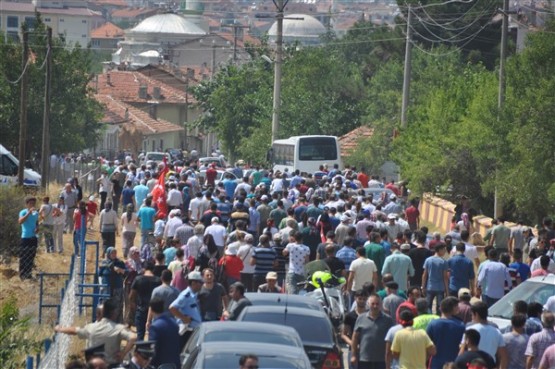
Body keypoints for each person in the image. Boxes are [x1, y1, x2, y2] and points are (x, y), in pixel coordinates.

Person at [54, 298, 137, 367]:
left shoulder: (91, 327)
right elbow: (133, 337)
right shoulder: (118, 328)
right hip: (112, 365)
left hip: (93, 365)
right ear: (114, 313)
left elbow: (75, 330)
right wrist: (123, 353)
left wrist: (60, 329)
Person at [351, 294, 394, 369]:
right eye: (373, 304)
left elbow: (392, 339)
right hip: (364, 359)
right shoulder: (361, 318)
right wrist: (354, 355)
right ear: (368, 304)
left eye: (377, 304)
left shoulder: (388, 319)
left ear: (381, 305)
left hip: (382, 360)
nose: (375, 306)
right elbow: (355, 337)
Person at [461, 301, 508, 368]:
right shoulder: (497, 332)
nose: (471, 317)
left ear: (476, 314)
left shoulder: (470, 330)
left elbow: (462, 352)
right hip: (490, 365)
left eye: (472, 315)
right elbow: (504, 357)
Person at [426, 297, 466, 369]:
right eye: (457, 306)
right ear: (453, 308)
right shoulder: (461, 325)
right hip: (454, 364)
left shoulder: (433, 324)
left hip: (436, 363)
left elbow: (426, 345)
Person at [169, 271, 203, 350]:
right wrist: (183, 318)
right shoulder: (185, 295)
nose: (202, 285)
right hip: (187, 331)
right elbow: (172, 308)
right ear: (193, 283)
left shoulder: (194, 295)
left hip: (195, 329)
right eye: (200, 282)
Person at [129, 262, 161, 341]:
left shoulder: (138, 279)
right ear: (153, 269)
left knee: (140, 335)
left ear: (144, 269)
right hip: (154, 311)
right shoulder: (158, 280)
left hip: (141, 309)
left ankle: (139, 351)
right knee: (153, 336)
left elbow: (131, 296)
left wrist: (133, 307)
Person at [148, 297, 180, 369]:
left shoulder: (155, 327)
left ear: (152, 310)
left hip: (161, 365)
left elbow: (153, 349)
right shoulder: (174, 323)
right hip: (175, 364)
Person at [342, 290, 369, 367]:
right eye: (360, 298)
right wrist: (352, 344)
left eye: (364, 299)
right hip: (353, 351)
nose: (362, 301)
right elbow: (343, 334)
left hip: (367, 351)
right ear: (355, 298)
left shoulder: (369, 315)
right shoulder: (350, 316)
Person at [422, 242, 449, 315]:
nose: (445, 251)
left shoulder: (428, 260)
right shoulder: (443, 262)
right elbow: (445, 277)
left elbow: (425, 275)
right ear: (439, 250)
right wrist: (447, 290)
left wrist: (423, 287)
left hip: (430, 286)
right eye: (444, 249)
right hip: (440, 288)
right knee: (439, 307)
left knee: (428, 306)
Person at [18, 196, 40, 280]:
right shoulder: (23, 212)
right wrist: (28, 213)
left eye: (33, 203)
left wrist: (37, 227)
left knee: (31, 256)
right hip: (25, 237)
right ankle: (22, 275)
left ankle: (28, 273)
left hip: (33, 237)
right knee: (24, 256)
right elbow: (20, 221)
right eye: (30, 203)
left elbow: (36, 222)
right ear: (27, 204)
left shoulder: (36, 213)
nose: (32, 205)